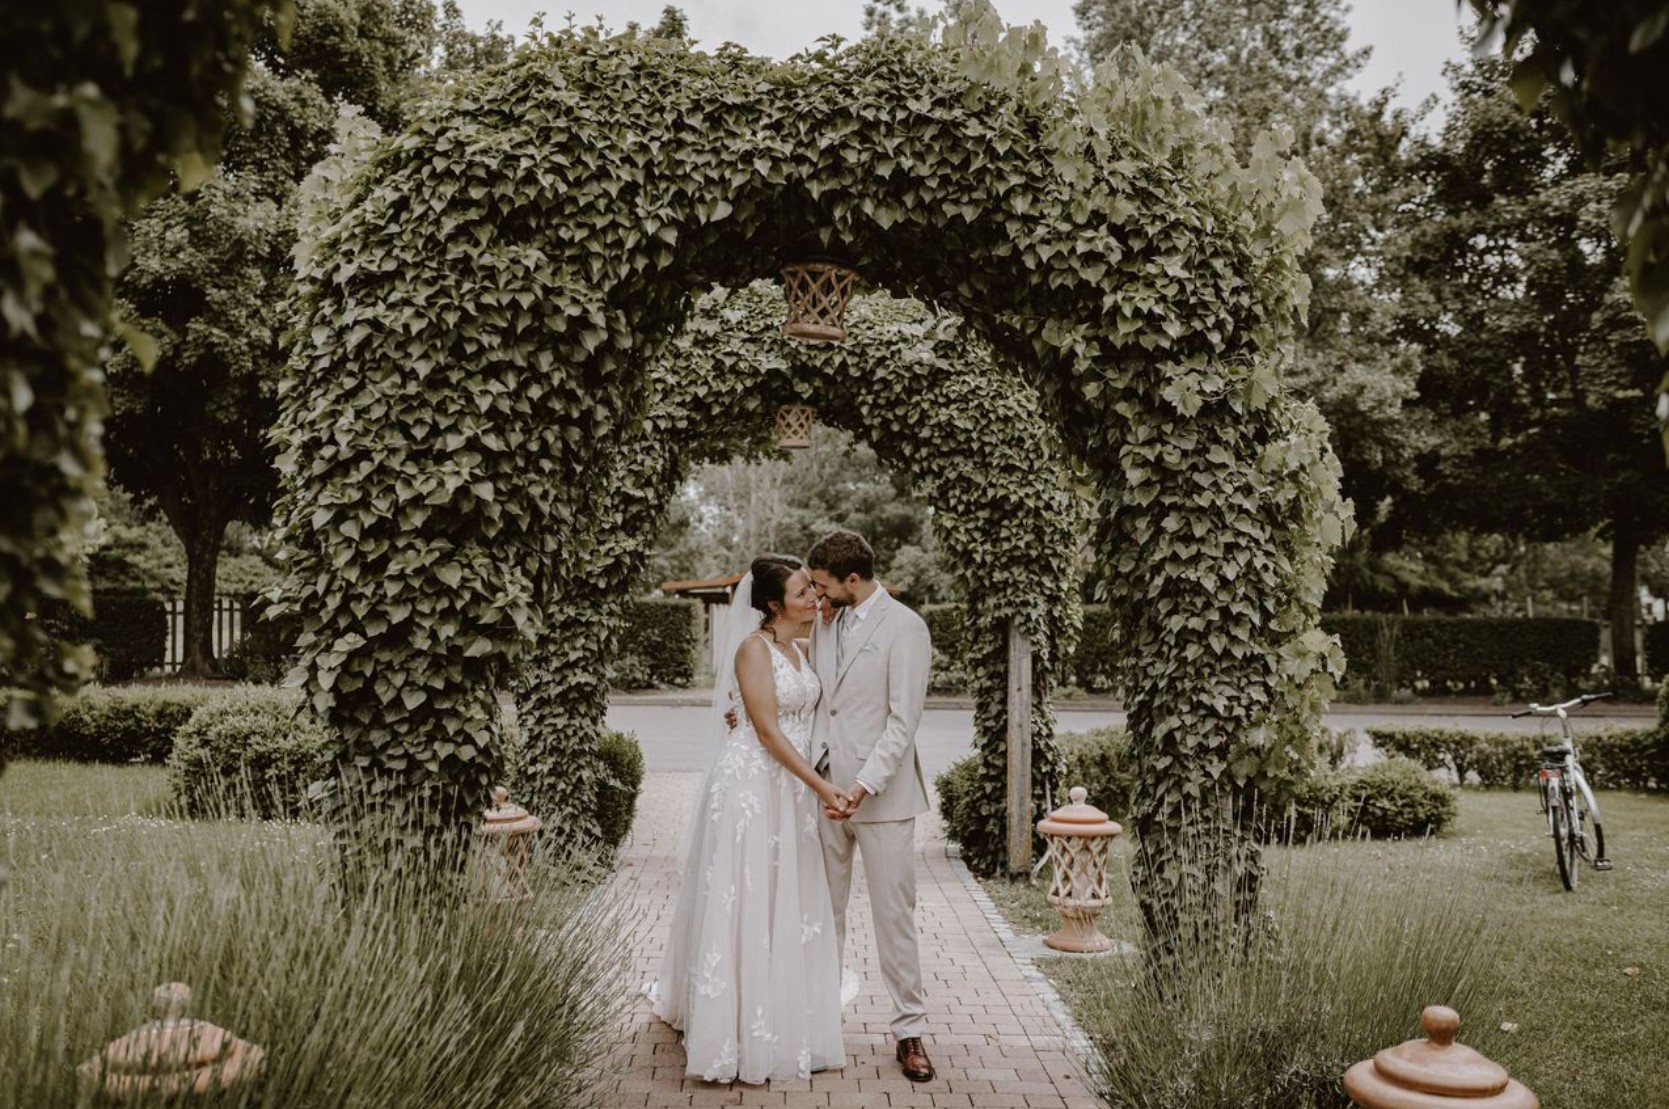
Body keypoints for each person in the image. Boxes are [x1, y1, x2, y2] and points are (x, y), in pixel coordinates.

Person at [650, 554, 848, 1084]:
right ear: (773, 604)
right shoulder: (752, 649)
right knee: (746, 895)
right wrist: (821, 785)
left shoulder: (801, 648)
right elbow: (766, 732)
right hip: (753, 786)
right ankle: (734, 1025)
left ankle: (785, 1012)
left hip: (791, 789)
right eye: (802, 592)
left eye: (812, 590)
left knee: (786, 896)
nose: (814, 598)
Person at [806, 530, 936, 1083]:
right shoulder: (824, 621)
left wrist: (862, 785)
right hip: (824, 791)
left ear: (853, 580)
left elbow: (903, 722)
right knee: (822, 913)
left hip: (881, 798)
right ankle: (820, 1024)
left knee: (893, 917)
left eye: (823, 585)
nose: (817, 594)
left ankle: (910, 1031)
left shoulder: (906, 628)